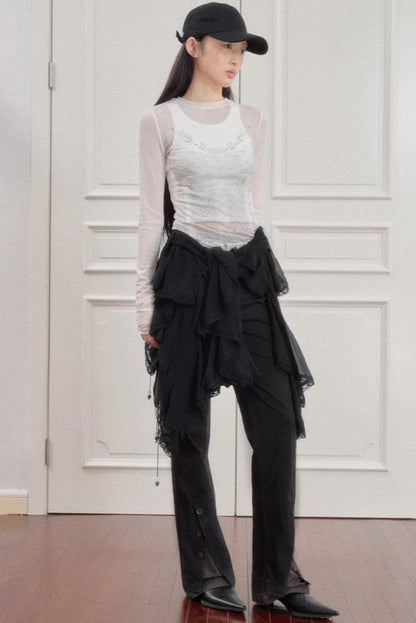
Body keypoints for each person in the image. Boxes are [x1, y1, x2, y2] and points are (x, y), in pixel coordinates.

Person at [136, 2, 339, 619]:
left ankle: (279, 580)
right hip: (187, 280)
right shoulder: (160, 120)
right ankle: (206, 572)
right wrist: (144, 306)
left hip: (247, 275)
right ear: (193, 47)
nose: (235, 60)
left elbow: (253, 203)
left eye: (242, 51)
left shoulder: (252, 119)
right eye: (226, 47)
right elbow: (150, 217)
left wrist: (264, 269)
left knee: (276, 426)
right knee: (188, 431)